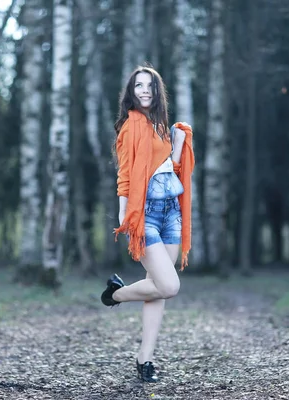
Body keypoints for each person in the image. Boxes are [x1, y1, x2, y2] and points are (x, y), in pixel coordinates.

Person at [100, 65, 195, 383]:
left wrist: (179, 142)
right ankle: (115, 295)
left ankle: (146, 359)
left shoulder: (159, 125)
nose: (143, 90)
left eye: (149, 86)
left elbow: (171, 169)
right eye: (138, 85)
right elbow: (125, 174)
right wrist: (124, 215)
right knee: (169, 286)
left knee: (157, 290)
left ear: (157, 92)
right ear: (131, 91)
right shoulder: (131, 126)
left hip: (171, 213)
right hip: (146, 215)